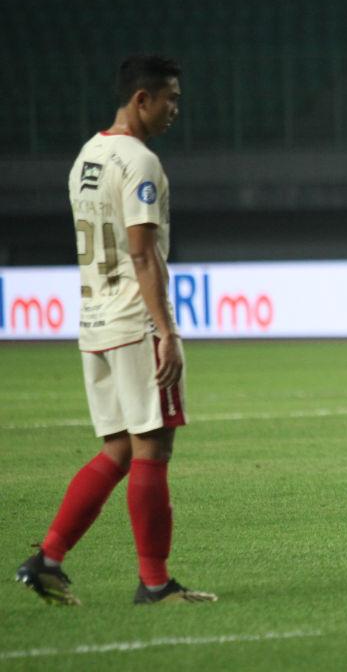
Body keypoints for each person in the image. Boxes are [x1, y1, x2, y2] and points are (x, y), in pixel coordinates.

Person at [15, 55, 216, 605]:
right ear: (141, 99)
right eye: (169, 97)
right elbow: (142, 251)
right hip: (132, 320)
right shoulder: (139, 161)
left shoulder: (89, 155)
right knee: (152, 450)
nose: (177, 108)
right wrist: (167, 331)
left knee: (118, 451)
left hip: (93, 321)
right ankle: (155, 582)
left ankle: (48, 558)